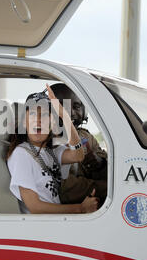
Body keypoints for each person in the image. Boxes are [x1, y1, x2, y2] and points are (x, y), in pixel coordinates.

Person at [7, 84, 99, 214]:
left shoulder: (51, 152)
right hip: (40, 227)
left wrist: (65, 116)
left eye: (44, 115)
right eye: (32, 114)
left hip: (54, 221)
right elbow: (35, 207)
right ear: (24, 122)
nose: (38, 120)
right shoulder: (21, 154)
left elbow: (78, 155)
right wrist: (80, 208)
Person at [51, 83, 108, 206]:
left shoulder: (85, 137)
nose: (70, 113)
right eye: (62, 106)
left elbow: (111, 171)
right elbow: (66, 189)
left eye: (76, 106)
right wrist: (113, 188)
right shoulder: (44, 142)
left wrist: (100, 164)